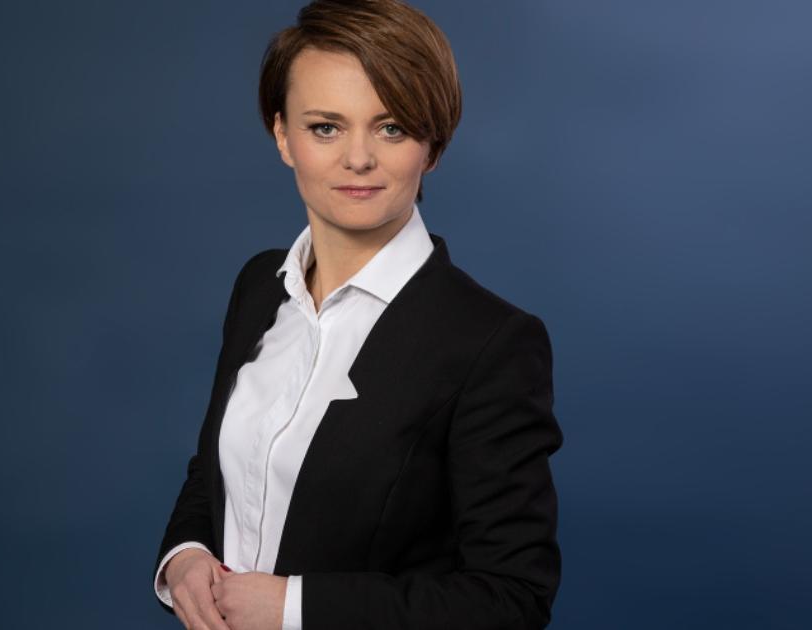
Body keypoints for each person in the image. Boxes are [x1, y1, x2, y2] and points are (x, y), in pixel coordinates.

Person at [154, 1, 563, 628]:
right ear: (282, 136)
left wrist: (291, 608)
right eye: (326, 127)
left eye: (391, 127)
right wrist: (184, 556)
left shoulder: (490, 343)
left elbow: (512, 600)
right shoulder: (259, 288)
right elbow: (220, 470)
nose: (358, 158)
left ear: (433, 144)